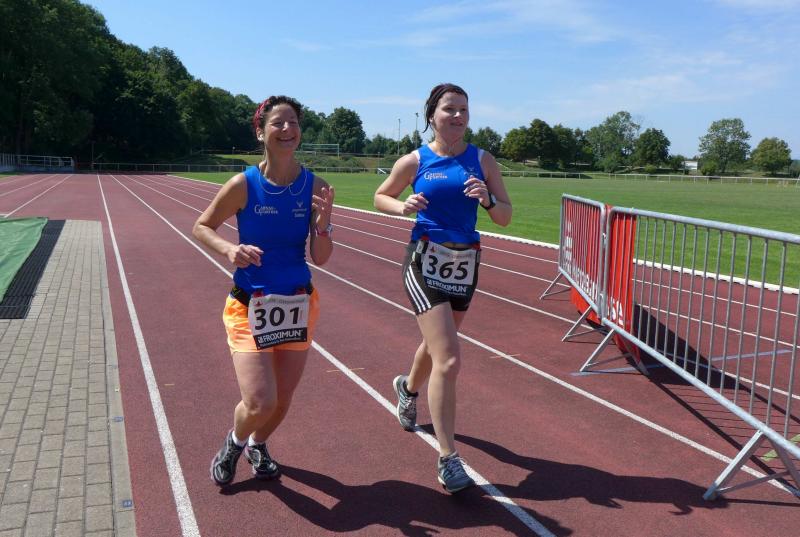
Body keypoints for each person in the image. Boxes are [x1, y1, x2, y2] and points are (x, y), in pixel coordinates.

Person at [374, 83, 512, 493]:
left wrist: (488, 200)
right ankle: (448, 459)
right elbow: (380, 196)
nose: (458, 116)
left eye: (464, 110)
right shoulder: (416, 160)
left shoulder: (483, 160)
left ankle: (407, 388)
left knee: (437, 346)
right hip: (424, 259)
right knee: (448, 359)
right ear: (432, 115)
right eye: (450, 109)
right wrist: (403, 206)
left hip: (464, 263)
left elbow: (505, 216)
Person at [193, 95, 335, 486]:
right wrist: (229, 249)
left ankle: (258, 444)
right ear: (260, 132)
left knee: (282, 400)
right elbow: (202, 226)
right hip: (249, 304)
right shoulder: (243, 185)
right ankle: (235, 442)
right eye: (278, 123)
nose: (288, 129)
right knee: (260, 401)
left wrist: (323, 224)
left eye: (294, 123)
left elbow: (321, 257)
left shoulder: (316, 187)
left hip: (298, 303)